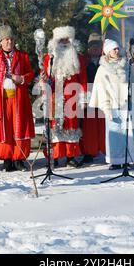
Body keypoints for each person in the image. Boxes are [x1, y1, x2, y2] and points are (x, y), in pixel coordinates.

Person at [89, 39, 134, 170]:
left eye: (117, 48)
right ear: (108, 51)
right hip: (113, 106)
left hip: (127, 104)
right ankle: (115, 160)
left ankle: (127, 158)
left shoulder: (126, 65)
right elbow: (101, 90)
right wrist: (106, 108)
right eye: (114, 49)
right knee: (115, 134)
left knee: (128, 133)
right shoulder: (102, 69)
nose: (117, 50)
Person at [0, 25, 35, 172]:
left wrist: (21, 78)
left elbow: (30, 74)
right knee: (4, 128)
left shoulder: (22, 56)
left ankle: (19, 159)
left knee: (19, 126)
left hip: (18, 99)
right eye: (6, 39)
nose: (9, 42)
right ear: (1, 42)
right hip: (1, 100)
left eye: (11, 39)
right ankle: (7, 159)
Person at [41, 26, 87, 168]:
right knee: (54, 126)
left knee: (71, 126)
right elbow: (44, 77)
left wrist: (84, 97)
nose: (64, 42)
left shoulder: (78, 58)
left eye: (67, 39)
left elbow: (83, 78)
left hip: (72, 97)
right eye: (61, 40)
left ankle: (70, 156)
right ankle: (53, 156)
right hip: (54, 97)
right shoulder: (49, 58)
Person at [79, 32, 106, 165]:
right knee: (89, 127)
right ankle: (89, 152)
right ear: (88, 48)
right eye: (92, 46)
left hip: (102, 97)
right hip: (89, 96)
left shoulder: (105, 61)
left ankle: (106, 149)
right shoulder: (83, 61)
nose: (95, 49)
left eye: (98, 46)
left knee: (102, 124)